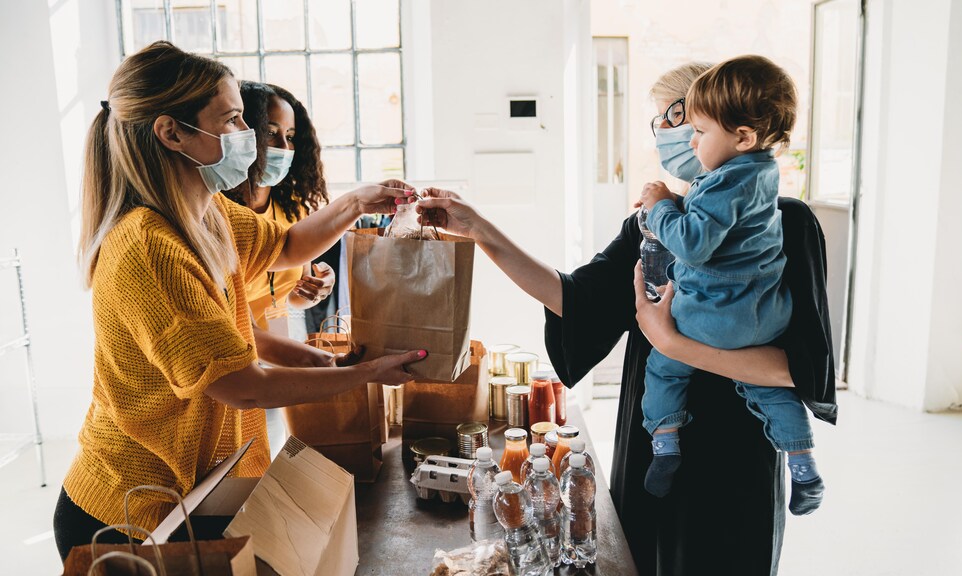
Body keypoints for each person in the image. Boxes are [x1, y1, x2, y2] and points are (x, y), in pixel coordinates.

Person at [417, 60, 837, 575]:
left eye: (669, 118)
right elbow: (571, 298)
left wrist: (677, 345)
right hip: (655, 449)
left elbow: (800, 369)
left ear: (716, 122)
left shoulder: (786, 223)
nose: (662, 134)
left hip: (737, 458)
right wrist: (477, 228)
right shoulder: (651, 225)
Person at [54, 41, 425, 561]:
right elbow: (245, 387)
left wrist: (357, 201)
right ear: (171, 132)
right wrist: (367, 373)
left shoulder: (205, 214)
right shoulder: (147, 246)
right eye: (231, 121)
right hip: (128, 512)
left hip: (195, 492)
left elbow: (287, 245)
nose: (246, 136)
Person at [635, 55, 827, 514]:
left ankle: (664, 443)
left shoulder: (723, 183)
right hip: (764, 319)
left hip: (711, 316)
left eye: (695, 130)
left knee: (663, 366)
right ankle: (802, 463)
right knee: (771, 391)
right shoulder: (763, 175)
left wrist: (661, 208)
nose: (689, 140)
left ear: (743, 136)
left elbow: (695, 244)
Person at [223, 81, 339, 366]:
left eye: (290, 136)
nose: (284, 147)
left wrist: (315, 290)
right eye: (271, 133)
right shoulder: (218, 211)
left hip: (282, 349)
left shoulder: (293, 206)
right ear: (241, 133)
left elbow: (292, 296)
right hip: (234, 357)